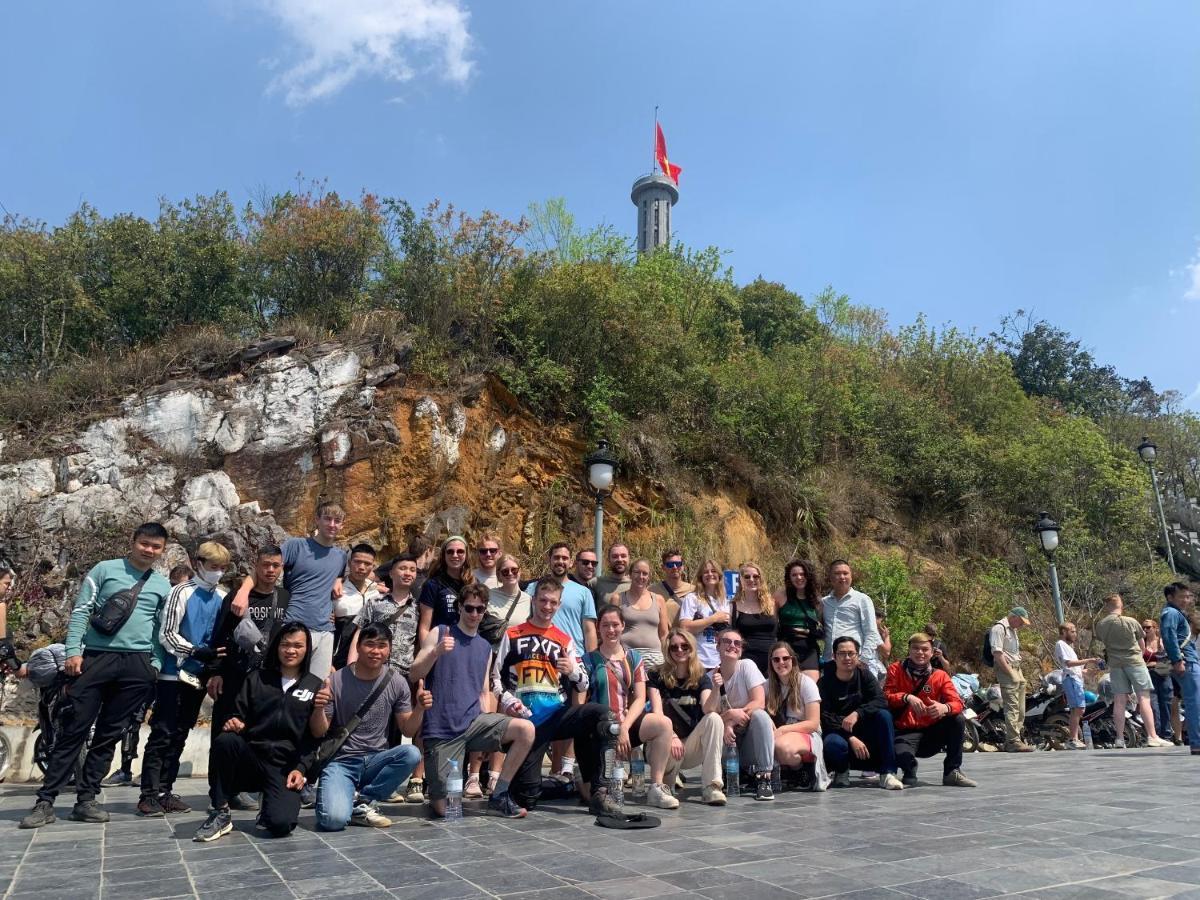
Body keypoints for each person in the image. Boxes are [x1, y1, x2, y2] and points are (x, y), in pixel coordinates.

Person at [21, 523, 173, 829]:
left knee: (109, 735)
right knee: (73, 730)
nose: (149, 550)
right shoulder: (104, 570)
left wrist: (154, 663)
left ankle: (86, 799)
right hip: (96, 659)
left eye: (156, 547)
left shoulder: (161, 585)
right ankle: (45, 801)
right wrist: (74, 650)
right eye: (145, 543)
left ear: (162, 550)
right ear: (133, 541)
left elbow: (160, 628)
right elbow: (81, 610)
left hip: (137, 666)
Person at [492, 577, 620, 814]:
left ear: (559, 605)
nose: (547, 607)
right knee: (526, 798)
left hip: (558, 715)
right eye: (543, 600)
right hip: (527, 724)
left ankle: (600, 790)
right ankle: (563, 786)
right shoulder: (512, 634)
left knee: (603, 717)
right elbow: (495, 678)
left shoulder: (564, 639)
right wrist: (508, 700)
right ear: (534, 600)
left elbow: (582, 685)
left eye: (553, 602)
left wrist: (572, 672)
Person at [409, 583, 535, 819]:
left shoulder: (485, 647)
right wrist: (435, 652)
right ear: (459, 608)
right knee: (443, 808)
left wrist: (484, 738)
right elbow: (415, 673)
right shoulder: (441, 632)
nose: (474, 614)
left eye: (479, 609)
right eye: (469, 608)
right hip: (443, 730)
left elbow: (483, 692)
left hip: (473, 723)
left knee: (525, 729)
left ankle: (500, 795)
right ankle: (439, 791)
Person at [193, 622, 324, 841]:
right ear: (276, 647)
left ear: (307, 649)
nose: (291, 651)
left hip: (284, 767)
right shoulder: (256, 678)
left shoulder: (314, 685)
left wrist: (301, 768)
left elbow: (314, 737)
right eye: (285, 644)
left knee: (280, 825)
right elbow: (236, 715)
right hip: (251, 759)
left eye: (298, 646)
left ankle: (269, 805)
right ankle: (220, 811)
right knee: (226, 740)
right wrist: (234, 722)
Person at [139, 541, 232, 817]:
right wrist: (193, 650)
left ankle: (166, 790)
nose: (217, 572)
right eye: (213, 566)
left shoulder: (222, 597)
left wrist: (212, 662)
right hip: (172, 674)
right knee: (162, 733)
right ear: (198, 563)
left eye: (222, 568)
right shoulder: (181, 592)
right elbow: (167, 633)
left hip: (199, 677)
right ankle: (148, 794)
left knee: (180, 734)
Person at [309, 624, 427, 830]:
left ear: (389, 649)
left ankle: (363, 801)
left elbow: (408, 730)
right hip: (342, 762)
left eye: (382, 645)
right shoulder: (336, 681)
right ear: (359, 647)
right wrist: (318, 708)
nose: (376, 651)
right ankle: (345, 800)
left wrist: (420, 708)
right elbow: (319, 731)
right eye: (370, 644)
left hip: (375, 760)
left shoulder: (396, 682)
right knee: (333, 821)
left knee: (411, 753)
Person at [232, 501, 348, 677]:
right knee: (284, 683)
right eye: (327, 519)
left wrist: (338, 580)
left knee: (315, 688)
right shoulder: (296, 546)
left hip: (325, 631)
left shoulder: (340, 556)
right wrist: (243, 591)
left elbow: (338, 574)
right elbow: (267, 566)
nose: (332, 524)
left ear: (342, 524)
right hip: (293, 625)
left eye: (337, 520)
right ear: (317, 519)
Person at [584, 606, 679, 809]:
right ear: (598, 628)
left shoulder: (633, 658)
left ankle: (656, 786)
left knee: (663, 724)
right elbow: (582, 703)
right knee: (591, 792)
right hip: (599, 730)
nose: (611, 630)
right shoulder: (588, 661)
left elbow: (640, 697)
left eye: (615, 625)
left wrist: (624, 727)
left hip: (626, 722)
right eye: (606, 625)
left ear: (623, 626)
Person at [348, 553, 424, 802]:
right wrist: (351, 665)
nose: (407, 573)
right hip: (373, 673)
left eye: (412, 569)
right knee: (373, 726)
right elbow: (359, 633)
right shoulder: (376, 601)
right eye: (402, 568)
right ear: (391, 573)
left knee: (398, 729)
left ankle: (387, 783)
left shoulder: (419, 608)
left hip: (402, 675)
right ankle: (365, 778)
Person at [884, 633, 977, 787]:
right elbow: (886, 696)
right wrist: (906, 697)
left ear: (932, 652)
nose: (920, 653)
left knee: (957, 719)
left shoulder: (940, 675)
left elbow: (958, 703)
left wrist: (944, 707)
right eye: (915, 648)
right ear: (909, 650)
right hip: (905, 732)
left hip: (931, 732)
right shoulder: (896, 669)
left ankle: (952, 771)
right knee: (902, 757)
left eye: (925, 649)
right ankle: (909, 768)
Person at [648, 628, 726, 805]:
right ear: (667, 651)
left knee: (714, 718)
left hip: (690, 747)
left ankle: (711, 787)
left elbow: (708, 709)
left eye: (684, 646)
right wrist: (671, 736)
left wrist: (715, 688)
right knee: (667, 791)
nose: (680, 650)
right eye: (674, 647)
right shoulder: (655, 675)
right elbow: (657, 712)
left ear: (692, 648)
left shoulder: (701, 677)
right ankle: (665, 783)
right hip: (664, 745)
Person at [544, 542, 599, 782]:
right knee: (552, 713)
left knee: (574, 714)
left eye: (565, 558)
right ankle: (556, 770)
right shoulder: (536, 588)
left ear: (570, 562)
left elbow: (589, 630)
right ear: (549, 559)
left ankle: (567, 767)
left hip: (574, 660)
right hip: (543, 660)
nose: (561, 562)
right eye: (557, 557)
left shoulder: (583, 592)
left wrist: (592, 660)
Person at [819, 636, 903, 790]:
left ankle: (888, 773)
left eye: (851, 653)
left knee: (884, 716)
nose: (847, 658)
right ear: (834, 656)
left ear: (857, 656)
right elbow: (825, 717)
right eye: (842, 653)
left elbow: (881, 700)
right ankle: (841, 770)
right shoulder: (825, 682)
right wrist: (850, 737)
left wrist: (857, 713)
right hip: (839, 732)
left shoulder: (865, 676)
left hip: (864, 730)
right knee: (832, 743)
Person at [1094, 594, 1173, 748]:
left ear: (1106, 606)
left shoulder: (1101, 625)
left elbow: (1102, 642)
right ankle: (1152, 736)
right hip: (1134, 662)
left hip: (1116, 664)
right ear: (1120, 605)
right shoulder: (1130, 621)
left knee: (1119, 700)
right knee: (1143, 697)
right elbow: (1142, 645)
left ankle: (1119, 738)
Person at [711, 629, 776, 800]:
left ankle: (764, 778)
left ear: (741, 650)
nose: (732, 646)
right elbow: (708, 717)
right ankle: (725, 775)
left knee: (761, 716)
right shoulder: (710, 677)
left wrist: (731, 720)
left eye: (737, 643)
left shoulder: (746, 666)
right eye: (727, 641)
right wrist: (726, 720)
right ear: (717, 645)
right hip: (726, 743)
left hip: (747, 740)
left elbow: (759, 702)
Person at [765, 641, 827, 790]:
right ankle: (788, 773)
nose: (781, 662)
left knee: (782, 747)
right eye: (776, 659)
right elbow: (755, 705)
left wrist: (783, 730)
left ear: (792, 660)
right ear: (771, 663)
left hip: (806, 731)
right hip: (780, 732)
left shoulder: (806, 683)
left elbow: (813, 723)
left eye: (785, 658)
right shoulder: (768, 685)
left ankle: (803, 769)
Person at [821, 560, 885, 681]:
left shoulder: (862, 600)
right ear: (830, 577)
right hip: (830, 661)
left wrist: (862, 660)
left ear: (851, 576)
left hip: (854, 662)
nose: (842, 577)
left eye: (845, 573)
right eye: (837, 573)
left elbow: (871, 632)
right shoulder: (824, 602)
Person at [989, 606, 1036, 753]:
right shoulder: (999, 628)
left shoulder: (1013, 629)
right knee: (1012, 708)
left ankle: (1014, 738)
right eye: (1021, 622)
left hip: (1017, 668)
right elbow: (997, 654)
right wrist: (1010, 673)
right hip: (1007, 670)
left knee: (1021, 709)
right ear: (1013, 617)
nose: (1022, 625)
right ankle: (1013, 741)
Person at [607, 558, 669, 666]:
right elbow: (611, 630)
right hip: (626, 656)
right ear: (630, 574)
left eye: (645, 573)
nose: (641, 577)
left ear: (649, 577)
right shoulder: (617, 598)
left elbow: (664, 634)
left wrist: (668, 659)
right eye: (637, 572)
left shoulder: (659, 600)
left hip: (655, 659)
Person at [418, 536, 474, 643]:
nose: (455, 555)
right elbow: (424, 627)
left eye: (460, 551)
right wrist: (428, 654)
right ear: (444, 555)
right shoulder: (433, 585)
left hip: (466, 645)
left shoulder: (473, 584)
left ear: (466, 555)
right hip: (440, 645)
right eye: (450, 552)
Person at [333, 544, 381, 670]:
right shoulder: (336, 589)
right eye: (357, 562)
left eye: (367, 563)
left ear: (373, 566)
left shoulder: (376, 591)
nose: (361, 567)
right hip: (338, 660)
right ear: (349, 563)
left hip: (369, 659)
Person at [679, 559, 732, 671]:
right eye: (706, 572)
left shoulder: (727, 601)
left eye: (713, 571)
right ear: (701, 576)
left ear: (719, 575)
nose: (710, 574)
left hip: (723, 661)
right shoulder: (692, 598)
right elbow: (684, 627)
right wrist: (714, 618)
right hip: (701, 661)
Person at [775, 559, 823, 683]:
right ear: (789, 577)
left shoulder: (816, 599)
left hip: (809, 647)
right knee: (789, 685)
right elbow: (773, 623)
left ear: (808, 576)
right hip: (787, 646)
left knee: (811, 686)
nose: (799, 577)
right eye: (794, 575)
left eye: (802, 574)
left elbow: (820, 625)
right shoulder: (781, 595)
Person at [1054, 622, 1100, 749]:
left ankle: (1074, 738)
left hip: (1076, 679)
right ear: (1064, 632)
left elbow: (1075, 667)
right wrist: (1089, 660)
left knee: (1079, 709)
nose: (1075, 634)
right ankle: (1072, 739)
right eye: (1072, 631)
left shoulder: (1069, 647)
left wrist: (1088, 672)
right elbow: (1068, 664)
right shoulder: (1061, 644)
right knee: (1077, 708)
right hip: (1071, 680)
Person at [731, 562, 777, 676]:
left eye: (756, 576)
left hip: (771, 660)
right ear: (740, 580)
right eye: (747, 576)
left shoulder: (772, 603)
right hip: (746, 661)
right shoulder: (733, 606)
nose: (751, 579)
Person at [1143, 618, 1175, 743]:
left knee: (1166, 704)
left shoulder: (1162, 641)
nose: (1145, 629)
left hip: (1163, 674)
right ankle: (1155, 734)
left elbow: (1170, 656)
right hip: (1149, 674)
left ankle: (1166, 734)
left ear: (1155, 628)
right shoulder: (1142, 642)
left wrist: (1162, 649)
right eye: (1143, 627)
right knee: (1153, 705)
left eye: (1148, 627)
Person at [658, 549, 692, 628]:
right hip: (664, 638)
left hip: (687, 638)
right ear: (663, 567)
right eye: (670, 564)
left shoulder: (693, 590)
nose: (675, 567)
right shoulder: (652, 591)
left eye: (678, 564)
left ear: (683, 567)